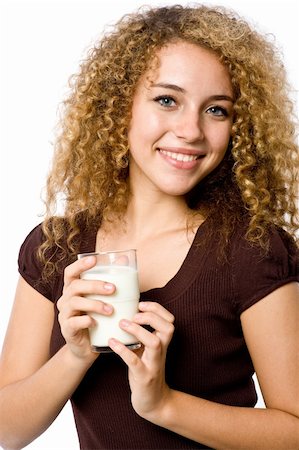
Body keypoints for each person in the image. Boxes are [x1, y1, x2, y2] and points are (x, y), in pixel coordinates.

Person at [0, 4, 298, 449]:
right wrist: (77, 353)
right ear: (119, 108)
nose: (191, 130)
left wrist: (163, 405)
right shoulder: (55, 247)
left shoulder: (251, 250)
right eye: (167, 100)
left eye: (217, 110)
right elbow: (8, 429)